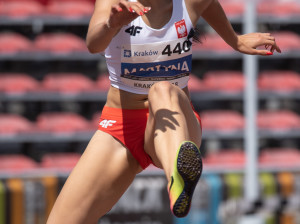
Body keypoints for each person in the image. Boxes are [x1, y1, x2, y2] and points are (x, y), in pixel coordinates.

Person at [46, 0, 281, 223]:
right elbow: (93, 44)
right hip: (121, 126)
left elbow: (210, 4)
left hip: (177, 122)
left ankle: (178, 179)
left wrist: (235, 40)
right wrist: (112, 24)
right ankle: (179, 174)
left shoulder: (187, 3)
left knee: (162, 90)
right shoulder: (116, 3)